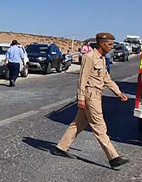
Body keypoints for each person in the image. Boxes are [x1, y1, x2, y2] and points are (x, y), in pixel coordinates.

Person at [51, 33, 129, 169]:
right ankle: (113, 157)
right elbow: (82, 79)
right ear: (101, 44)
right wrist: (81, 98)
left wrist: (118, 92)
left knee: (78, 123)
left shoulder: (102, 58)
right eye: (110, 44)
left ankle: (61, 148)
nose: (112, 47)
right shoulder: (89, 57)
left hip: (97, 94)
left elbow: (106, 78)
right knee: (99, 126)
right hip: (90, 95)